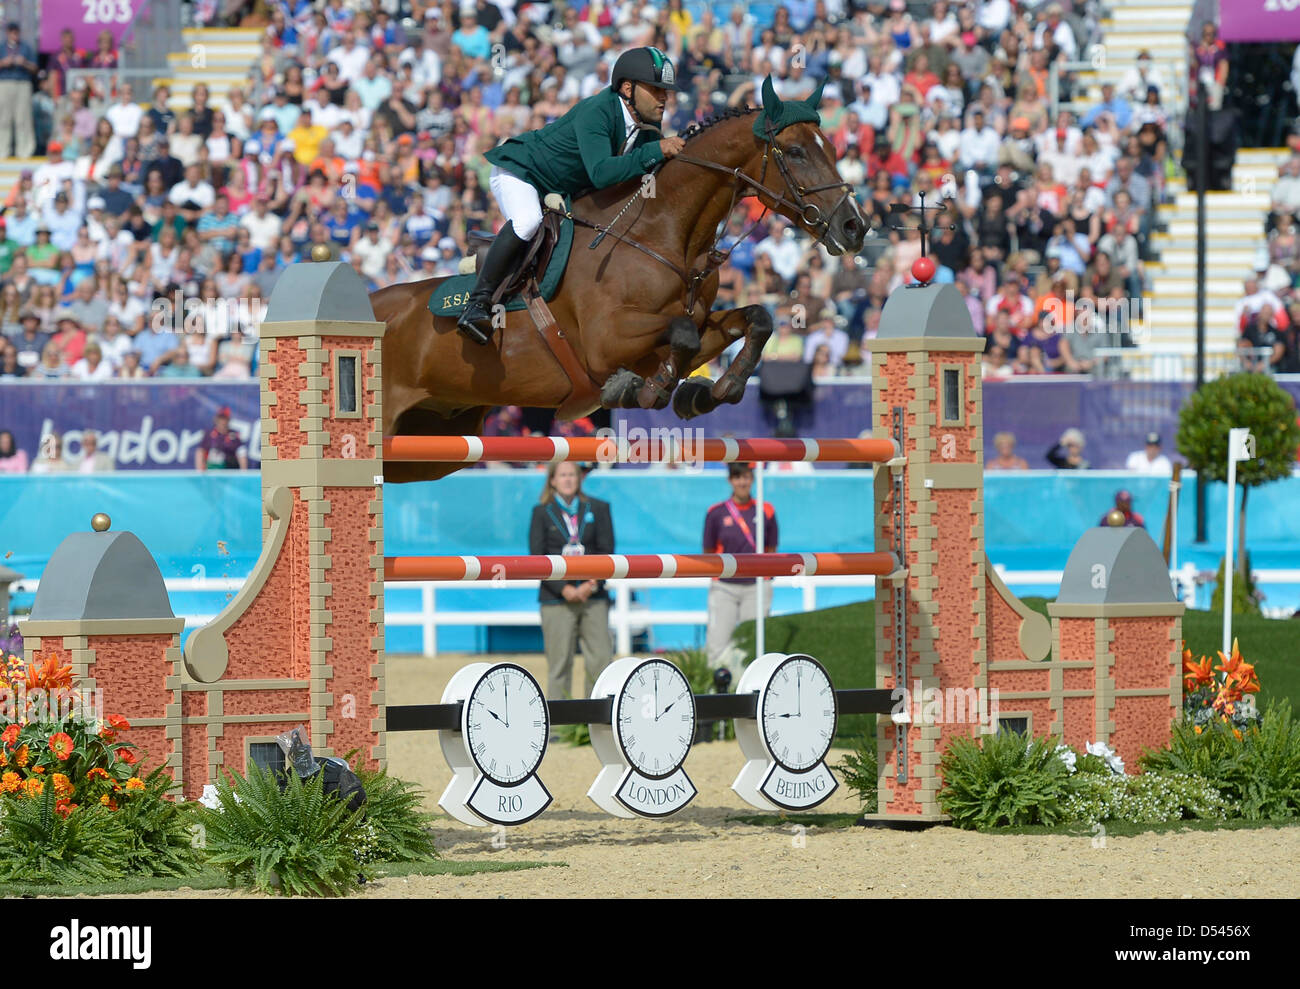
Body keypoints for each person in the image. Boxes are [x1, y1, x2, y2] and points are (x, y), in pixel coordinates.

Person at [457, 46, 684, 343]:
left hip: (560, 187)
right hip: (522, 172)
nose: (664, 98)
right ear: (628, 88)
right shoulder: (598, 111)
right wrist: (657, 149)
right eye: (656, 90)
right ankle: (478, 303)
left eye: (666, 91)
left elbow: (642, 173)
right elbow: (602, 173)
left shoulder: (646, 121)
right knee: (527, 221)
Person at [529, 461, 615, 702]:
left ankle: (596, 722)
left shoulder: (599, 508)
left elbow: (607, 552)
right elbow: (537, 558)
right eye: (562, 475)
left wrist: (591, 584)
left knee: (600, 660)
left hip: (593, 597)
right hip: (556, 599)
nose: (567, 479)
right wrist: (564, 588)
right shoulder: (541, 512)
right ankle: (560, 724)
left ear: (579, 479)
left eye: (572, 475)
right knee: (559, 665)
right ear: (552, 480)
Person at [702, 462, 777, 669]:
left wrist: (766, 577)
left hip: (756, 586)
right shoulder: (716, 512)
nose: (742, 482)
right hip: (724, 586)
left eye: (746, 477)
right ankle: (714, 692)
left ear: (752, 479)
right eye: (737, 477)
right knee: (717, 644)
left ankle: (751, 690)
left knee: (752, 644)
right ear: (730, 480)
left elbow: (771, 548)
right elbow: (708, 552)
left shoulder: (766, 510)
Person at [0, 22, 36, 160]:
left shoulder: (25, 48)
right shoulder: (2, 47)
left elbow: (35, 68)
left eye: (16, 32)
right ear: (7, 33)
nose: (14, 35)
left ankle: (25, 151)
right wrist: (4, 63)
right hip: (4, 83)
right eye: (11, 32)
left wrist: (24, 63)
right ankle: (2, 151)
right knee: (3, 118)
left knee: (23, 118)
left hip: (22, 83)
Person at [195, 406, 248, 470]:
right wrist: (200, 471)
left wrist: (243, 473)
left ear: (228, 420)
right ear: (216, 419)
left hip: (229, 469)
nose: (222, 421)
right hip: (212, 469)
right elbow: (200, 451)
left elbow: (241, 452)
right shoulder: (209, 434)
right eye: (220, 418)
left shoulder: (234, 435)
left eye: (224, 418)